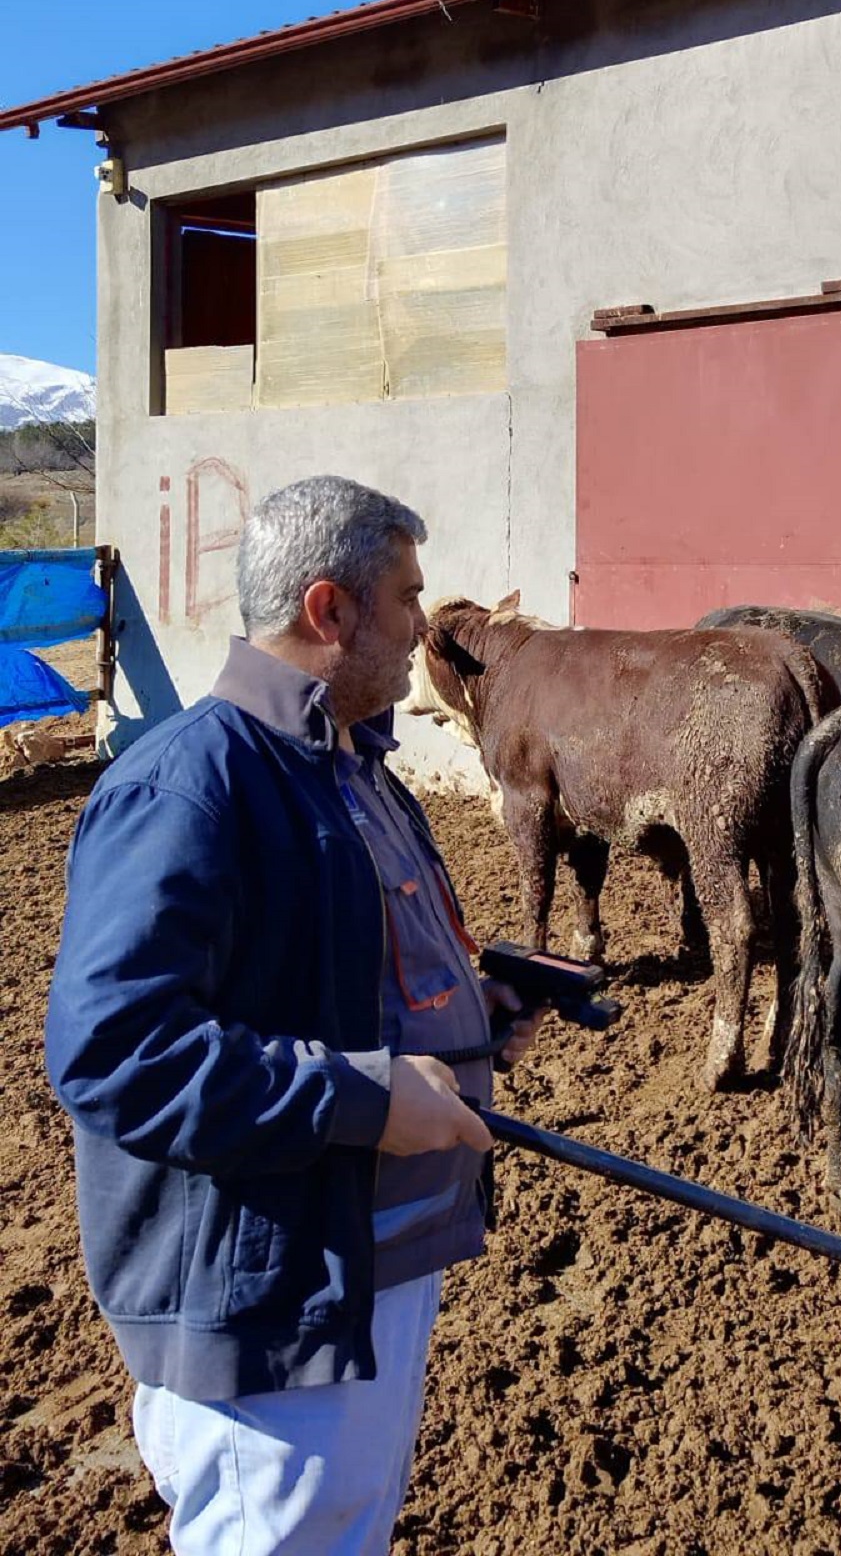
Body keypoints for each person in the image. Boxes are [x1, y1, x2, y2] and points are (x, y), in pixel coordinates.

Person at [46, 475, 538, 1554]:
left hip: (361, 1259)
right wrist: (362, 1097)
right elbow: (114, 1049)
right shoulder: (192, 784)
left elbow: (346, 980)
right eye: (406, 598)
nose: (423, 626)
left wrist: (479, 1013)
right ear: (330, 609)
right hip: (270, 1297)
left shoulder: (354, 768)